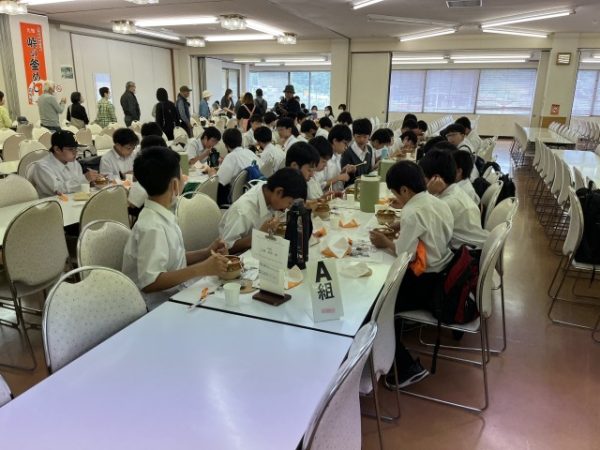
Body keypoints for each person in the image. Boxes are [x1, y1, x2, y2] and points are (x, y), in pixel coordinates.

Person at [369, 161, 454, 389]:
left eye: (396, 193)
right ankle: (394, 351)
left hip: (425, 283)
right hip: (444, 272)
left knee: (376, 309)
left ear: (405, 190)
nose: (397, 198)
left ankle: (403, 367)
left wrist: (385, 242)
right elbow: (430, 231)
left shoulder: (411, 211)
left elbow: (404, 254)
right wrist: (401, 227)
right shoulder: (438, 202)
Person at [122, 146, 229, 310]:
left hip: (176, 294)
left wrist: (206, 252)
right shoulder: (151, 227)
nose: (184, 178)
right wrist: (201, 269)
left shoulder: (163, 214)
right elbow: (150, 282)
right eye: (181, 174)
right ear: (174, 184)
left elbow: (173, 260)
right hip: (155, 307)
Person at [219, 168, 307, 253]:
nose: (288, 208)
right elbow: (226, 249)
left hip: (261, 250)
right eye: (289, 203)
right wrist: (259, 235)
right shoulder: (243, 210)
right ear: (279, 192)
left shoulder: (268, 190)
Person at [419, 150, 488, 249]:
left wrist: (427, 193)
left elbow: (421, 227)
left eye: (423, 177)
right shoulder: (453, 190)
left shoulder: (447, 203)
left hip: (464, 253)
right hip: (469, 247)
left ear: (436, 178)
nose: (421, 181)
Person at [28, 130, 99, 196]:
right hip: (53, 203)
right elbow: (58, 191)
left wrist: (91, 182)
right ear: (57, 149)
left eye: (76, 149)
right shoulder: (42, 167)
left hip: (73, 200)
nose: (75, 152)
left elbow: (77, 187)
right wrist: (84, 179)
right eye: (71, 149)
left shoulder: (74, 163)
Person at [207, 128, 257, 205]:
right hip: (252, 192)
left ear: (226, 145)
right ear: (241, 141)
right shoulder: (249, 152)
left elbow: (218, 183)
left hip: (235, 198)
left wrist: (212, 175)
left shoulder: (231, 157)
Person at [341, 118, 374, 186]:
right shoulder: (347, 153)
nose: (361, 139)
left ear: (369, 136)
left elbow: (368, 172)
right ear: (353, 135)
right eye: (358, 136)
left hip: (366, 185)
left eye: (365, 137)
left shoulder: (369, 150)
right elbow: (344, 178)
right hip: (351, 188)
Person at [322, 124, 352, 191]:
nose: (346, 147)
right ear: (335, 141)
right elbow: (320, 186)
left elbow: (337, 181)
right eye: (345, 143)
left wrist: (343, 172)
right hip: (326, 196)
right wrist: (339, 178)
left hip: (338, 193)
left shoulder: (337, 155)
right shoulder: (324, 159)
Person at [309, 136, 334, 200]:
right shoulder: (307, 177)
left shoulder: (315, 174)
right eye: (323, 161)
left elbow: (317, 198)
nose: (325, 165)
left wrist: (324, 198)